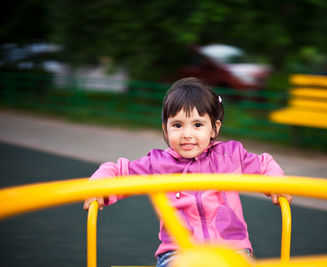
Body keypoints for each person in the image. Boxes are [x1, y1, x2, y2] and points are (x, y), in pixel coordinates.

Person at [83, 77, 292, 267]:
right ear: (165, 129)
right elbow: (118, 171)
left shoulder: (229, 156)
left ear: (214, 129)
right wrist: (98, 186)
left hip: (231, 248)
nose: (187, 134)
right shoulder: (157, 164)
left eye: (198, 124)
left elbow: (265, 164)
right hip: (178, 252)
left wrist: (276, 184)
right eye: (177, 125)